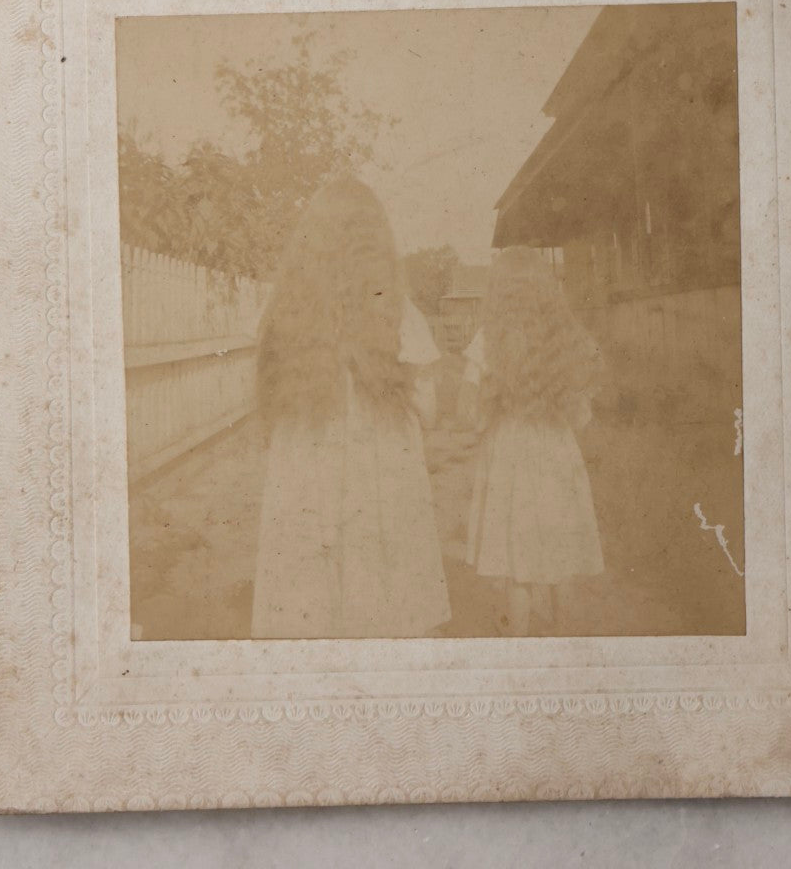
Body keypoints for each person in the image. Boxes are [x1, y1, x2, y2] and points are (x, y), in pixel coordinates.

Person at [251, 176, 450, 638]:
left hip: (304, 474)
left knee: (307, 605)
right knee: (382, 594)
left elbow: (269, 407)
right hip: (380, 476)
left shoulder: (282, 312)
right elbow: (429, 411)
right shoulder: (399, 313)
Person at [459, 246, 604, 635]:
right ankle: (566, 645)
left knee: (516, 559)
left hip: (509, 450)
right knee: (560, 556)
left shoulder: (488, 339)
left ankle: (517, 647)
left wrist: (488, 418)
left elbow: (468, 413)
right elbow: (583, 415)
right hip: (556, 448)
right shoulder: (568, 338)